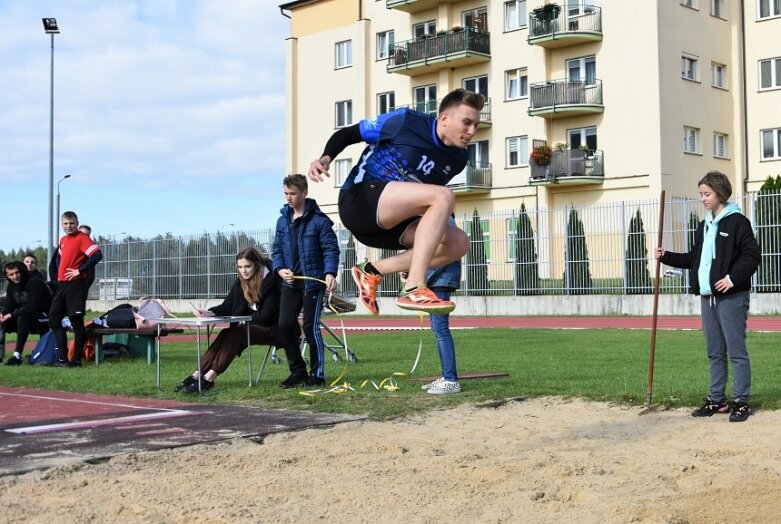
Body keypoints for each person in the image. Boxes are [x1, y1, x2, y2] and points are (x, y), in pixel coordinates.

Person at [308, 88, 483, 316]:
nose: (471, 131)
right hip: (360, 201)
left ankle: (372, 271)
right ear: (444, 118)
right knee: (444, 195)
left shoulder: (458, 158)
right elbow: (350, 134)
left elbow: (431, 206)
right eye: (467, 123)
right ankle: (414, 286)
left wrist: (420, 253)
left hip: (386, 229)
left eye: (476, 126)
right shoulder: (404, 121)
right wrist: (325, 157)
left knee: (458, 242)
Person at [654, 171, 760, 422]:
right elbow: (694, 259)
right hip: (707, 298)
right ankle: (716, 400)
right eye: (701, 194)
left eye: (707, 194)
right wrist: (666, 255)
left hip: (732, 297)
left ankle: (741, 402)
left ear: (720, 193)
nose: (702, 198)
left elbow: (752, 255)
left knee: (736, 351)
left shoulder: (737, 222)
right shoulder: (705, 225)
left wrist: (732, 278)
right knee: (714, 352)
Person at [174, 247, 283, 393]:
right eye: (240, 267)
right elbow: (227, 306)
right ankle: (197, 375)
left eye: (247, 266)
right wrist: (209, 313)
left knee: (237, 332)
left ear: (257, 265)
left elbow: (266, 317)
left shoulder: (273, 281)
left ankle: (209, 378)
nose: (243, 271)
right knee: (226, 333)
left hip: (274, 329)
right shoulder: (241, 282)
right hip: (252, 326)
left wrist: (244, 321)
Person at [272, 174, 340, 388]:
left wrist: (330, 273)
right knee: (284, 325)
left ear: (304, 193)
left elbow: (331, 249)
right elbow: (277, 250)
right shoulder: (282, 220)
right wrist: (280, 269)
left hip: (313, 283)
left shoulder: (319, 221)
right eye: (286, 194)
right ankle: (297, 370)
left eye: (292, 193)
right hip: (290, 284)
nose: (288, 198)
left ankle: (317, 374)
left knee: (310, 328)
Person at [49, 211, 103, 367]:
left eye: (71, 223)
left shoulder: (82, 238)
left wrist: (79, 270)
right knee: (53, 320)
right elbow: (59, 257)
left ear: (77, 223)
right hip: (62, 285)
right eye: (65, 223)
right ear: (61, 224)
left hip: (76, 285)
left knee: (76, 323)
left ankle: (76, 360)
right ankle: (63, 359)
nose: (68, 226)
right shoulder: (63, 240)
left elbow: (97, 255)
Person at [420, 259, 463, 394]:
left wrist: (419, 276)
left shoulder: (441, 237)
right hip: (437, 281)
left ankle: (451, 380)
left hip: (440, 280)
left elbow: (437, 257)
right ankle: (447, 377)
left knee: (441, 330)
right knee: (438, 329)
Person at [0, 261, 53, 365]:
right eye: (11, 274)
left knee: (22, 318)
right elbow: (9, 306)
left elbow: (32, 307)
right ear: (7, 276)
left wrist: (10, 315)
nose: (15, 276)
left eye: (17, 272)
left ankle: (17, 356)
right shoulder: (11, 286)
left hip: (45, 315)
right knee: (3, 321)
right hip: (26, 316)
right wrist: (3, 313)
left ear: (22, 271)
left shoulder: (34, 282)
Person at [78, 225, 97, 293]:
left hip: (80, 288)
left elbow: (91, 274)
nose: (85, 237)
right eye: (83, 234)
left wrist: (84, 287)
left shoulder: (88, 251)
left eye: (87, 235)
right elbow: (53, 265)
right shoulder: (66, 243)